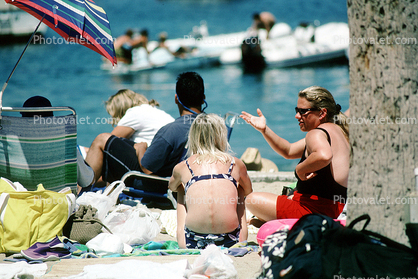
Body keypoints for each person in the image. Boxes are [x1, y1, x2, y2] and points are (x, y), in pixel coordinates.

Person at [240, 86, 349, 221]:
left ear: (322, 113)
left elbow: (324, 156)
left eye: (303, 111)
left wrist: (300, 169)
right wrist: (264, 130)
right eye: (297, 110)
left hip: (313, 211)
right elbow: (289, 150)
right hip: (332, 209)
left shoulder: (316, 134)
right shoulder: (338, 131)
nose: (297, 116)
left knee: (251, 200)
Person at [169, 113, 253, 249]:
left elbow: (171, 186)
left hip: (192, 242)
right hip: (234, 241)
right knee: (240, 188)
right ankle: (242, 236)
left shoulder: (184, 166)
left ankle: (181, 235)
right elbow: (249, 191)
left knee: (180, 188)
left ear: (193, 137)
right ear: (221, 136)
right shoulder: (235, 164)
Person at [78, 89, 174, 188]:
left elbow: (107, 146)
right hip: (166, 173)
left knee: (101, 139)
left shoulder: (135, 112)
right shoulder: (158, 113)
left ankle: (79, 191)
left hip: (150, 171)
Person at [133, 72, 208, 194]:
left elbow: (146, 168)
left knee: (106, 141)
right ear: (203, 98)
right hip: (198, 182)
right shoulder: (214, 127)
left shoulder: (171, 131)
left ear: (176, 98)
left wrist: (140, 149)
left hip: (165, 186)